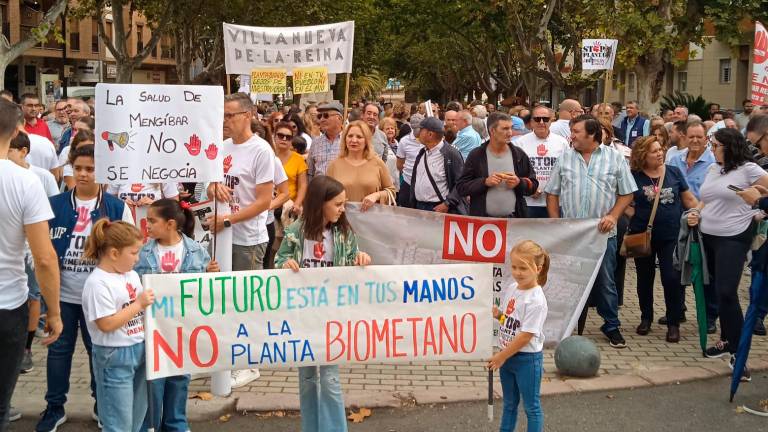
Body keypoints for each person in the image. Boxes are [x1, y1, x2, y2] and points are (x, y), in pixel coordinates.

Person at [37, 144, 134, 431]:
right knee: (58, 351)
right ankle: (54, 408)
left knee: (99, 352)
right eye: (77, 168)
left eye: (90, 169)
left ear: (101, 171)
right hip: (62, 295)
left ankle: (101, 405)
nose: (82, 174)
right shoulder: (54, 204)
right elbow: (39, 246)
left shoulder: (116, 207)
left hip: (100, 299)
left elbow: (129, 249)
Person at [275, 175, 371, 432]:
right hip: (303, 316)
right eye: (338, 204)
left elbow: (351, 259)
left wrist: (359, 257)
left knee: (329, 378)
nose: (342, 209)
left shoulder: (343, 233)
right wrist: (286, 264)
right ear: (321, 204)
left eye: (344, 204)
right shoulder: (296, 232)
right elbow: (278, 261)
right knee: (307, 378)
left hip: (332, 317)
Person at [545, 115, 637, 348]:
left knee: (606, 280)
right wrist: (556, 223)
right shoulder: (565, 158)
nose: (571, 136)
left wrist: (613, 216)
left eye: (576, 131)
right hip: (572, 234)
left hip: (602, 233)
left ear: (592, 134)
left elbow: (627, 193)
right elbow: (552, 192)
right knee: (567, 280)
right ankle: (565, 325)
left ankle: (611, 325)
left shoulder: (614, 158)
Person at [0, 100, 62, 429]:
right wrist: (53, 312)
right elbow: (44, 257)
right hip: (8, 307)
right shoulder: (25, 181)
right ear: (17, 131)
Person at [206, 93, 274, 388]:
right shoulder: (221, 147)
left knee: (245, 300)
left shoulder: (261, 151)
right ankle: (226, 357)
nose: (225, 121)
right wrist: (214, 187)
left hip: (248, 237)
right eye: (223, 116)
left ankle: (250, 363)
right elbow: (209, 185)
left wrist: (230, 219)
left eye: (230, 115)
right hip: (221, 234)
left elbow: (264, 201)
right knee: (221, 298)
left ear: (248, 115)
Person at [688, 128, 768, 377]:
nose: (712, 149)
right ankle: (725, 340)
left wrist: (760, 207)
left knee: (727, 292)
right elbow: (708, 197)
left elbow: (765, 192)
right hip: (708, 235)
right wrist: (697, 211)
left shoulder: (749, 169)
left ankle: (739, 353)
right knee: (716, 291)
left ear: (729, 146)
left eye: (715, 145)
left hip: (734, 237)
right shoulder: (715, 168)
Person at [134, 199, 219, 431]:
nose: (147, 225)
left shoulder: (196, 251)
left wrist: (211, 274)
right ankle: (149, 425)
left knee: (179, 380)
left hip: (182, 330)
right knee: (153, 381)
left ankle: (176, 424)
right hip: (152, 331)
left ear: (170, 223)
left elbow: (204, 292)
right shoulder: (142, 253)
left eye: (152, 220)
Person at [81, 220, 153, 432]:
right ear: (114, 253)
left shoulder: (129, 274)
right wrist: (139, 304)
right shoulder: (97, 283)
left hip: (139, 348)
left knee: (136, 417)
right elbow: (106, 323)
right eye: (133, 253)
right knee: (117, 421)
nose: (137, 258)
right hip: (114, 354)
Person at [626, 137, 698, 343]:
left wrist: (699, 211)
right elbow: (623, 201)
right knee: (644, 278)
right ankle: (646, 317)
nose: (659, 153)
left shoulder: (673, 172)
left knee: (671, 278)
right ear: (642, 156)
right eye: (654, 151)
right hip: (643, 236)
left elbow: (688, 199)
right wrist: (635, 215)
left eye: (660, 149)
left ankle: (673, 322)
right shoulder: (634, 176)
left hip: (671, 236)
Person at [488, 240, 549, 432]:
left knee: (531, 408)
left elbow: (525, 336)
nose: (517, 272)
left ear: (538, 268)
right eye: (514, 267)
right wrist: (500, 315)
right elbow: (511, 320)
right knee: (509, 404)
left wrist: (501, 356)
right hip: (507, 357)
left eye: (523, 268)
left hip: (526, 360)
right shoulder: (513, 288)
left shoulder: (536, 300)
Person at [456, 113, 539, 218]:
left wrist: (519, 182)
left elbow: (533, 185)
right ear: (492, 131)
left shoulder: (518, 154)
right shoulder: (476, 155)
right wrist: (484, 182)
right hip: (484, 222)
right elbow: (461, 187)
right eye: (505, 129)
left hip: (514, 220)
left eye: (511, 128)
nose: (510, 133)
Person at [327, 120, 395, 209]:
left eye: (359, 137)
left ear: (366, 140)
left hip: (370, 219)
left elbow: (391, 191)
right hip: (342, 219)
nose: (354, 140)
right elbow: (327, 196)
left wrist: (376, 195)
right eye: (350, 136)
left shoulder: (377, 163)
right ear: (345, 139)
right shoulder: (334, 165)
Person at [515, 106, 569, 218]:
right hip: (529, 203)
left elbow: (567, 170)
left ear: (551, 121)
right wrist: (528, 189)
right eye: (537, 119)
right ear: (531, 121)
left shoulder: (562, 142)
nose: (541, 122)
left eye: (545, 119)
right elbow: (515, 171)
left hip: (555, 202)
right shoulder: (520, 143)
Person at [407, 117, 464, 213]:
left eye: (421, 130)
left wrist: (447, 204)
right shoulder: (422, 152)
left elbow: (461, 183)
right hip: (419, 207)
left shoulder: (451, 154)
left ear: (430, 134)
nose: (418, 133)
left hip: (438, 208)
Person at [667, 122, 716, 199]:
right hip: (675, 209)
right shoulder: (675, 160)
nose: (695, 140)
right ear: (685, 138)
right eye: (691, 137)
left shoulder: (714, 162)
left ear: (706, 139)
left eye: (699, 137)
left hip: (701, 209)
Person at [274, 122, 308, 216]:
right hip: (268, 205)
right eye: (281, 135)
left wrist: (297, 204)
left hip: (290, 207)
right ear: (274, 136)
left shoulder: (298, 159)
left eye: (288, 137)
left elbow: (303, 185)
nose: (284, 139)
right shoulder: (267, 155)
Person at [307, 102, 343, 180]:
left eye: (326, 116)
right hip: (319, 189)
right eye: (320, 116)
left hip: (341, 189)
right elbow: (310, 172)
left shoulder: (349, 141)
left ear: (339, 118)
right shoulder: (315, 142)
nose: (322, 119)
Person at [396, 115, 424, 207]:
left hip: (424, 185)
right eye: (416, 128)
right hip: (408, 183)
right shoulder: (404, 141)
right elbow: (400, 164)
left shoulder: (428, 139)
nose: (419, 131)